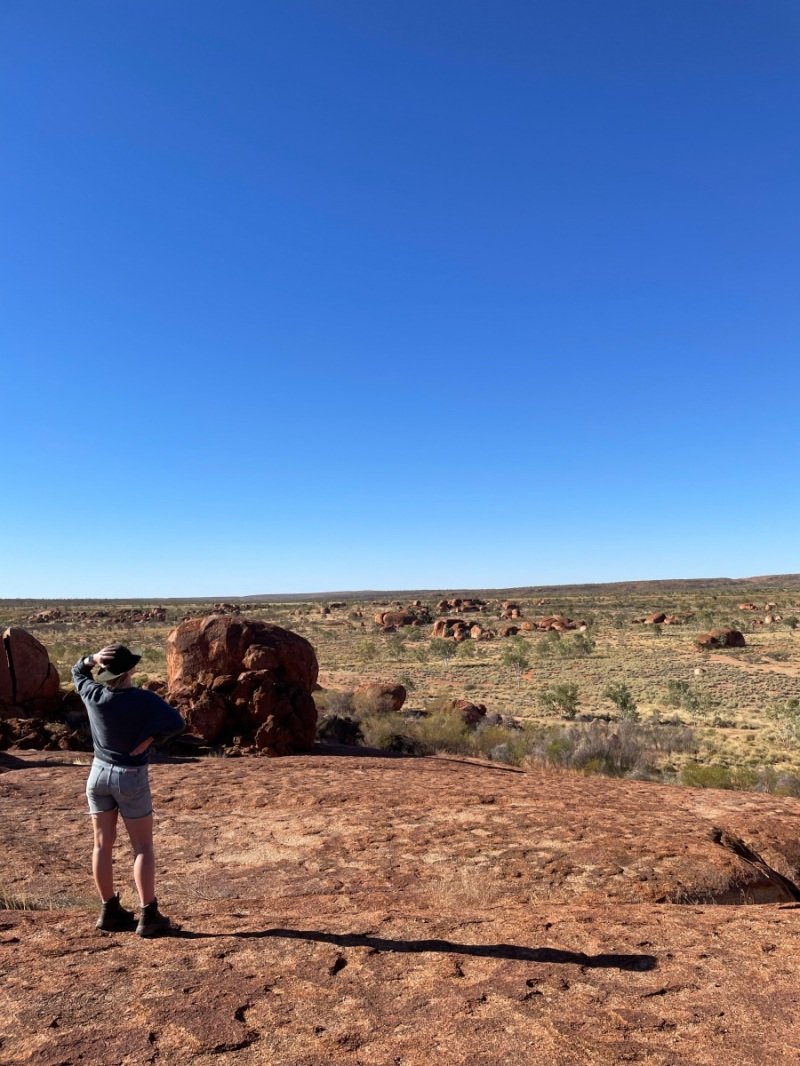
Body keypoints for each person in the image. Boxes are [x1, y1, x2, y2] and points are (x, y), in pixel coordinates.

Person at [72, 643, 184, 937]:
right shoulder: (143, 700)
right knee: (143, 847)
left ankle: (109, 910)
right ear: (130, 670)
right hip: (130, 775)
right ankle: (149, 915)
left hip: (97, 775)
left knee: (101, 845)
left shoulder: (94, 694)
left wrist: (91, 658)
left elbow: (76, 671)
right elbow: (177, 722)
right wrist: (149, 738)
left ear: (107, 671)